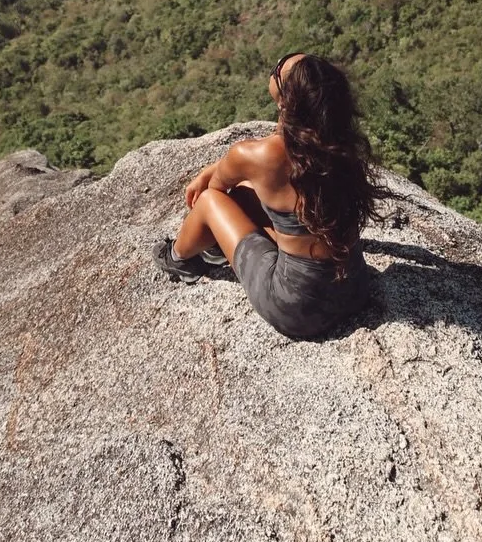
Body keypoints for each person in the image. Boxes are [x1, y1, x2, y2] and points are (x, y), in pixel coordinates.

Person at [154, 51, 381, 339]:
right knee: (249, 193)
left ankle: (178, 258)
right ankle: (214, 248)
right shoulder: (336, 143)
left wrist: (210, 175)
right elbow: (274, 159)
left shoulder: (255, 155)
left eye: (280, 69)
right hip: (354, 288)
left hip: (299, 309)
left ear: (285, 101)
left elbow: (217, 187)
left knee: (212, 202)